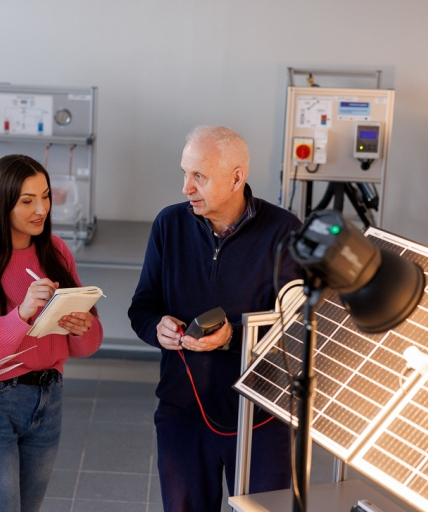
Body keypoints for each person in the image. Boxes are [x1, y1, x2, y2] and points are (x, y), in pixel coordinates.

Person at [128, 126, 302, 511]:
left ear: (236, 178)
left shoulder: (284, 231)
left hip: (262, 417)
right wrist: (157, 328)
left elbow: (297, 330)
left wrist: (232, 337)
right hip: (182, 413)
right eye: (184, 173)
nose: (186, 188)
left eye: (199, 177)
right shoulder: (168, 225)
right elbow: (142, 307)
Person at [0, 154, 103, 512]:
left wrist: (83, 327)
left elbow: (86, 347)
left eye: (45, 196)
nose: (41, 209)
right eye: (27, 201)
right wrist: (22, 314)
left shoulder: (56, 251)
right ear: (1, 204)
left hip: (49, 398)